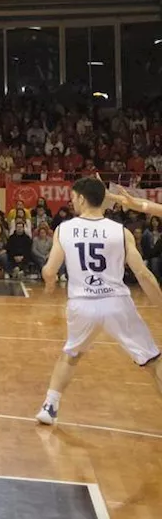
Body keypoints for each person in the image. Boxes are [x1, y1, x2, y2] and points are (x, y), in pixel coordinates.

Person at [36, 181, 162, 425]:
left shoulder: (64, 229)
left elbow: (50, 270)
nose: (72, 202)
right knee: (153, 361)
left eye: (73, 197)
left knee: (71, 355)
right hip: (116, 302)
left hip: (81, 304)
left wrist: (50, 285)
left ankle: (49, 407)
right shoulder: (120, 231)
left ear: (82, 199)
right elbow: (143, 274)